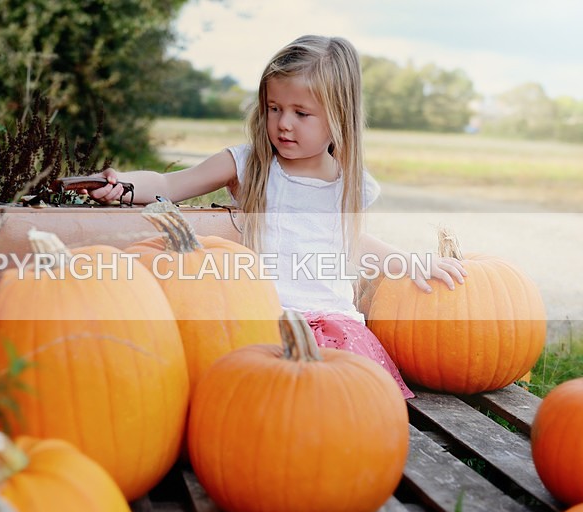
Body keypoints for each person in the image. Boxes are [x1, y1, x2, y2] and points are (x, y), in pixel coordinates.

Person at [85, 35, 466, 398]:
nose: (284, 123)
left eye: (301, 113)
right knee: (263, 403)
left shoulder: (351, 183)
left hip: (333, 326)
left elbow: (348, 240)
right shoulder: (250, 164)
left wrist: (409, 261)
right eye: (274, 108)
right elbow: (171, 184)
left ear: (339, 117)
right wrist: (126, 185)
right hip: (260, 321)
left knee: (348, 406)